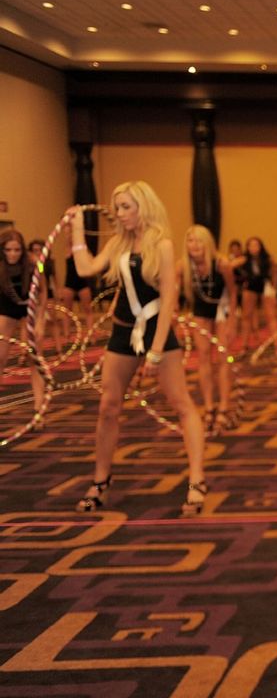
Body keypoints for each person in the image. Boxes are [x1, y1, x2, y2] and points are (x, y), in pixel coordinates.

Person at [66, 181, 208, 515]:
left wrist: (156, 351)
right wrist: (75, 230)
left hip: (156, 330)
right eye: (116, 207)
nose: (119, 213)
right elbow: (86, 268)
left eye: (125, 206)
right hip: (122, 333)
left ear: (143, 206)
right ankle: (101, 480)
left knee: (181, 404)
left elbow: (170, 298)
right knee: (108, 407)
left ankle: (197, 480)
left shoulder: (162, 243)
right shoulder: (118, 242)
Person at [178, 224, 237, 432]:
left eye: (198, 240)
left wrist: (231, 322)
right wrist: (176, 315)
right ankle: (209, 406)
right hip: (200, 313)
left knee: (222, 358)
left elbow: (232, 292)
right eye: (190, 240)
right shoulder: (183, 267)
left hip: (222, 310)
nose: (194, 245)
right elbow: (172, 293)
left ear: (208, 243)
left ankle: (224, 406)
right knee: (203, 358)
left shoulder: (222, 264)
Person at [0, 229, 47, 423]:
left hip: (29, 309)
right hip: (5, 308)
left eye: (17, 250)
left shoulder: (35, 264)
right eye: (8, 250)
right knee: (0, 358)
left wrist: (41, 320)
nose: (13, 254)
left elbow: (44, 291)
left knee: (34, 358)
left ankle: (39, 409)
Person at [232, 236, 277, 353]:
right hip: (250, 285)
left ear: (261, 246)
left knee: (271, 316)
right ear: (247, 248)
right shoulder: (244, 259)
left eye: (256, 245)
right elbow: (229, 266)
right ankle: (244, 345)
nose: (253, 248)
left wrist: (274, 289)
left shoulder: (268, 259)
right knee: (246, 316)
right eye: (251, 245)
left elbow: (274, 273)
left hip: (264, 284)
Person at [60, 234, 96, 335]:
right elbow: (68, 237)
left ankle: (90, 334)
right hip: (69, 282)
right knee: (67, 311)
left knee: (88, 309)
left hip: (82, 282)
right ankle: (66, 334)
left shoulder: (84, 251)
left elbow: (91, 262)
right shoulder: (68, 249)